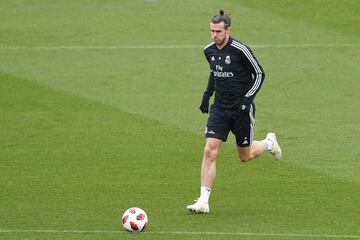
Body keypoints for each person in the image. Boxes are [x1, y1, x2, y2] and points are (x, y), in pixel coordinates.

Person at [186, 10, 282, 214]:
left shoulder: (240, 50)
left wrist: (247, 100)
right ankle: (203, 201)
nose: (214, 35)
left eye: (218, 31)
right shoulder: (209, 50)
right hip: (219, 109)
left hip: (241, 110)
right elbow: (214, 72)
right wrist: (206, 96)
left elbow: (259, 74)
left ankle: (269, 143)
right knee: (209, 150)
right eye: (212, 31)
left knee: (245, 156)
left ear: (228, 30)